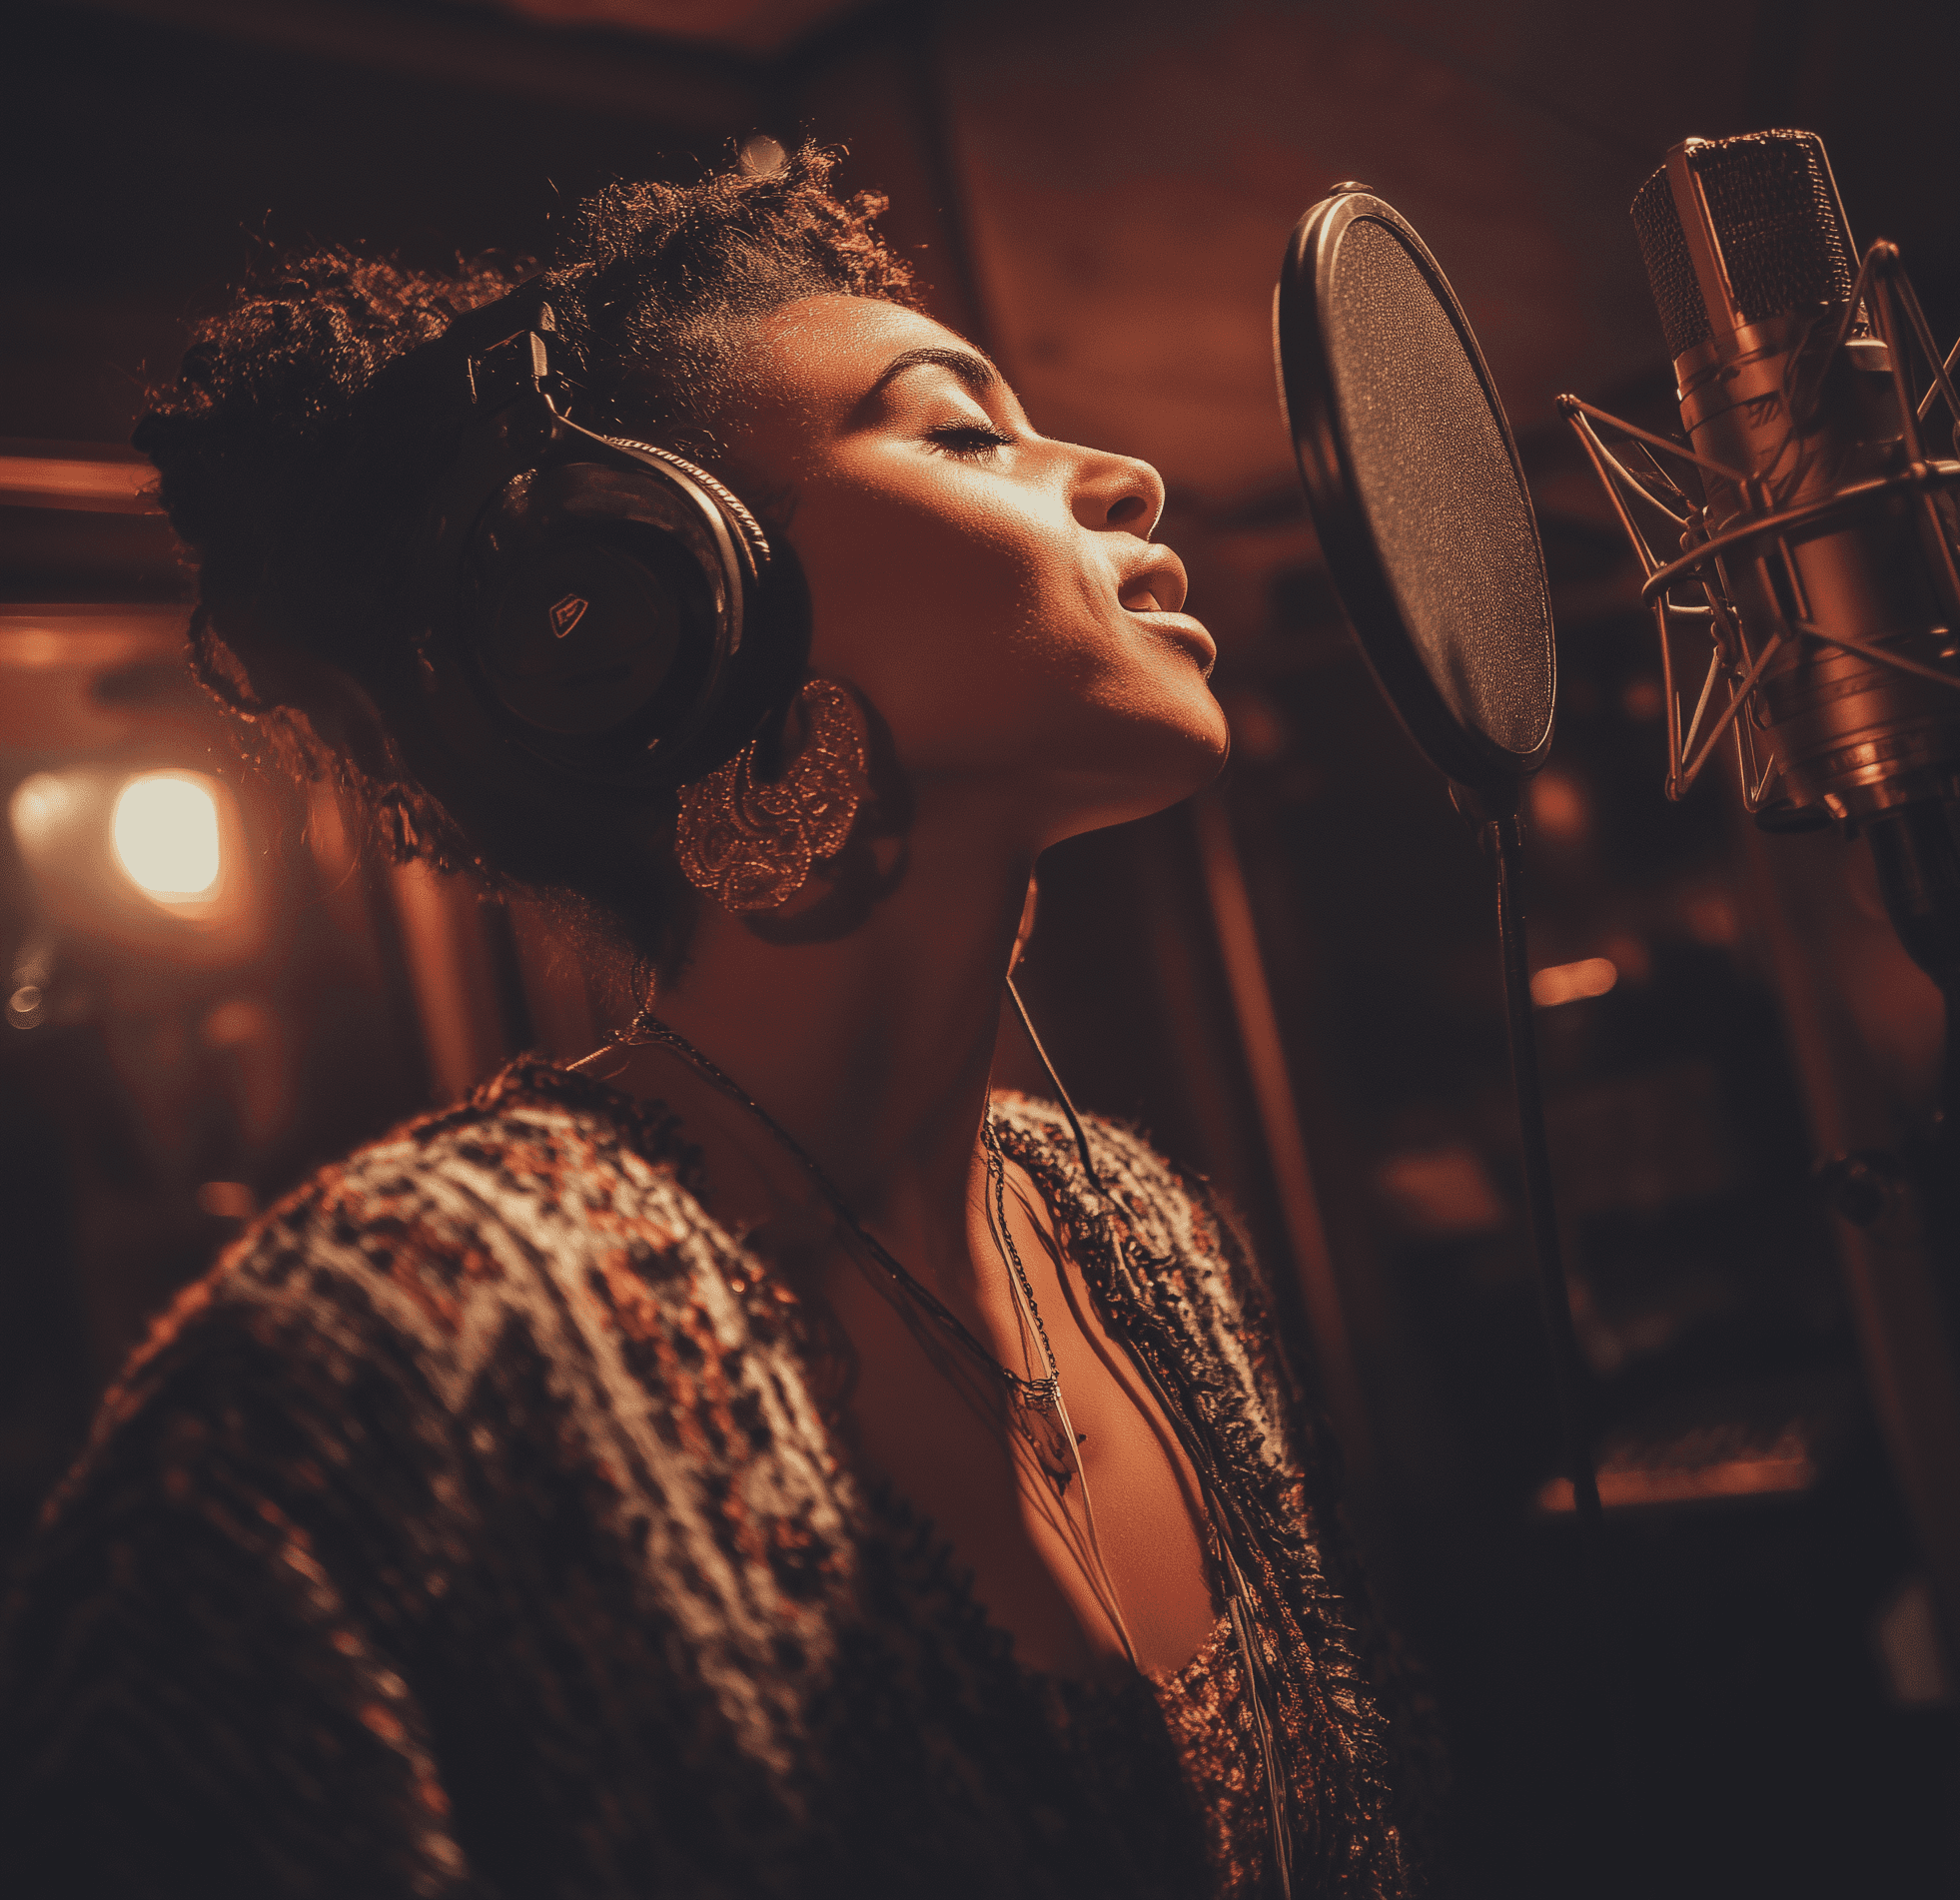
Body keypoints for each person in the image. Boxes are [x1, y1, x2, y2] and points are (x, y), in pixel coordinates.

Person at [0, 145, 1442, 1897]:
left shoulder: (1141, 1235)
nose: (1127, 475)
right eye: (962, 433)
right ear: (674, 603)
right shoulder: (396, 1353)